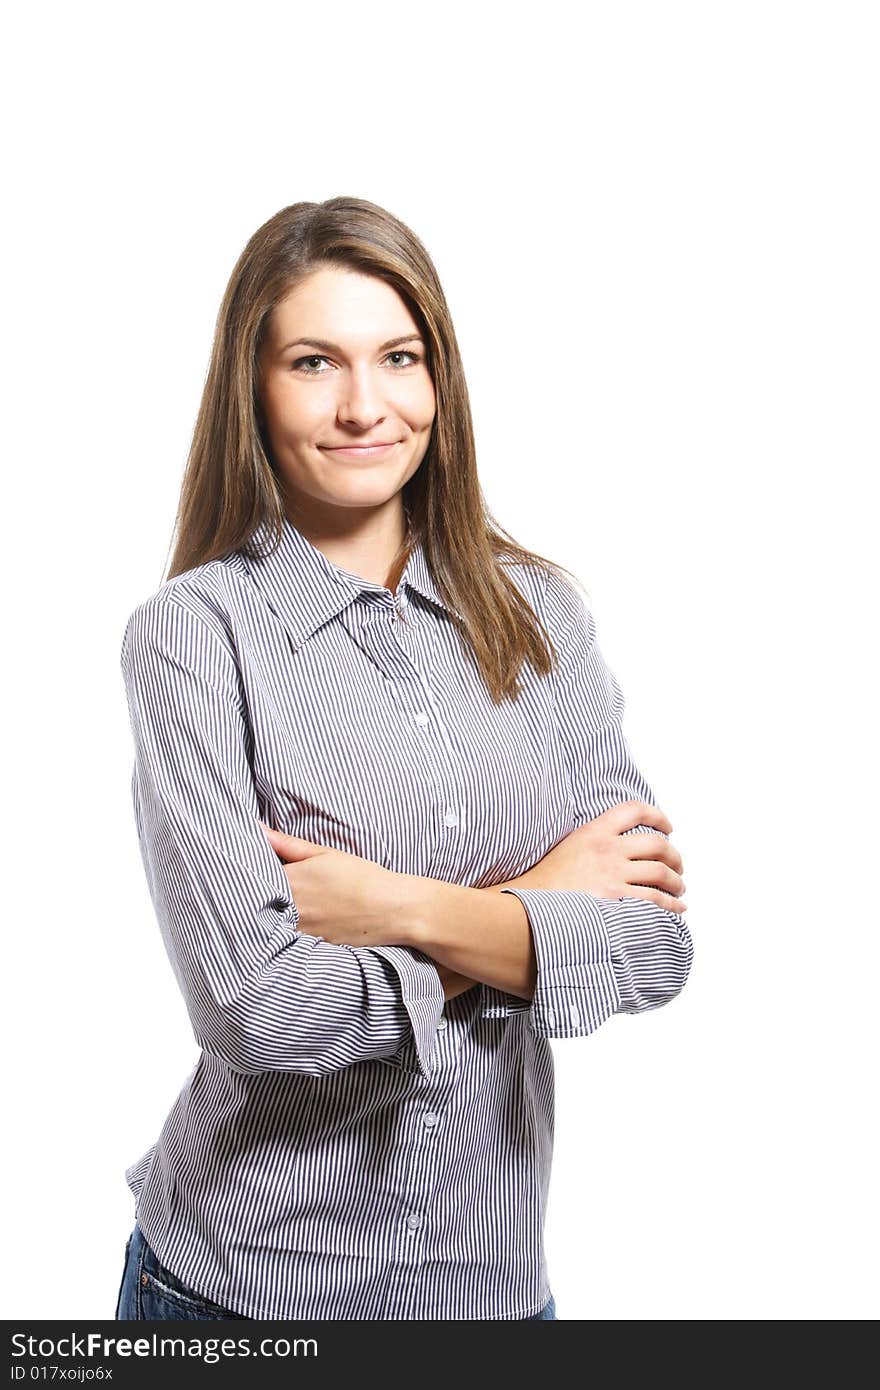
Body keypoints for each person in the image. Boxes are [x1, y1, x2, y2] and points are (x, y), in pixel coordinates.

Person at [114, 196, 693, 1322]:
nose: (364, 405)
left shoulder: (538, 616)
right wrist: (534, 910)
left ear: (441, 380)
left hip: (491, 1296)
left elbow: (654, 945)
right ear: (254, 387)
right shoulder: (194, 635)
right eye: (314, 362)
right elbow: (260, 1012)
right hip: (243, 1295)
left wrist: (396, 907)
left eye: (398, 357)